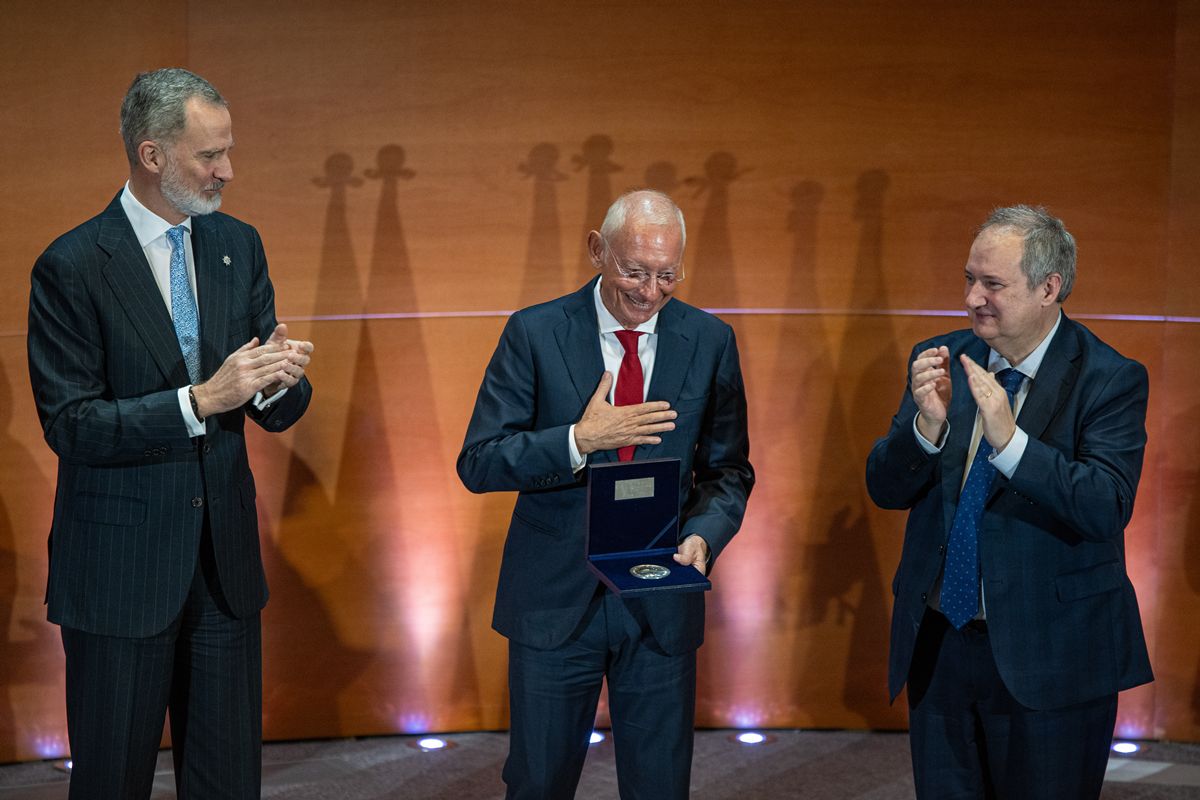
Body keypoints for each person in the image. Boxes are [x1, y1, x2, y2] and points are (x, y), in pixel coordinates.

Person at [27, 68, 313, 799]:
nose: (228, 171)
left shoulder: (236, 246)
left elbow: (263, 397)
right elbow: (71, 424)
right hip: (119, 575)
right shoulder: (72, 265)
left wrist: (280, 383)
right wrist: (197, 400)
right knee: (113, 781)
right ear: (152, 156)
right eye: (210, 156)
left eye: (228, 151)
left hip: (223, 573)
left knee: (227, 784)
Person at [458, 189, 753, 799]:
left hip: (659, 598)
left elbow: (728, 471)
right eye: (634, 271)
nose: (650, 291)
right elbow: (479, 461)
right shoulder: (534, 332)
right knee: (539, 783)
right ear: (598, 250)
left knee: (660, 785)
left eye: (667, 275)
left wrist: (704, 535)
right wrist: (577, 440)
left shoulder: (709, 339)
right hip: (554, 601)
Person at [866, 205, 1152, 798]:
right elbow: (885, 489)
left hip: (1055, 657)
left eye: (992, 284)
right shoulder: (943, 358)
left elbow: (1105, 504)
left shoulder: (1110, 377)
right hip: (941, 646)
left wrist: (1012, 443)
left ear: (1049, 288)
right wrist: (925, 430)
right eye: (969, 279)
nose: (973, 298)